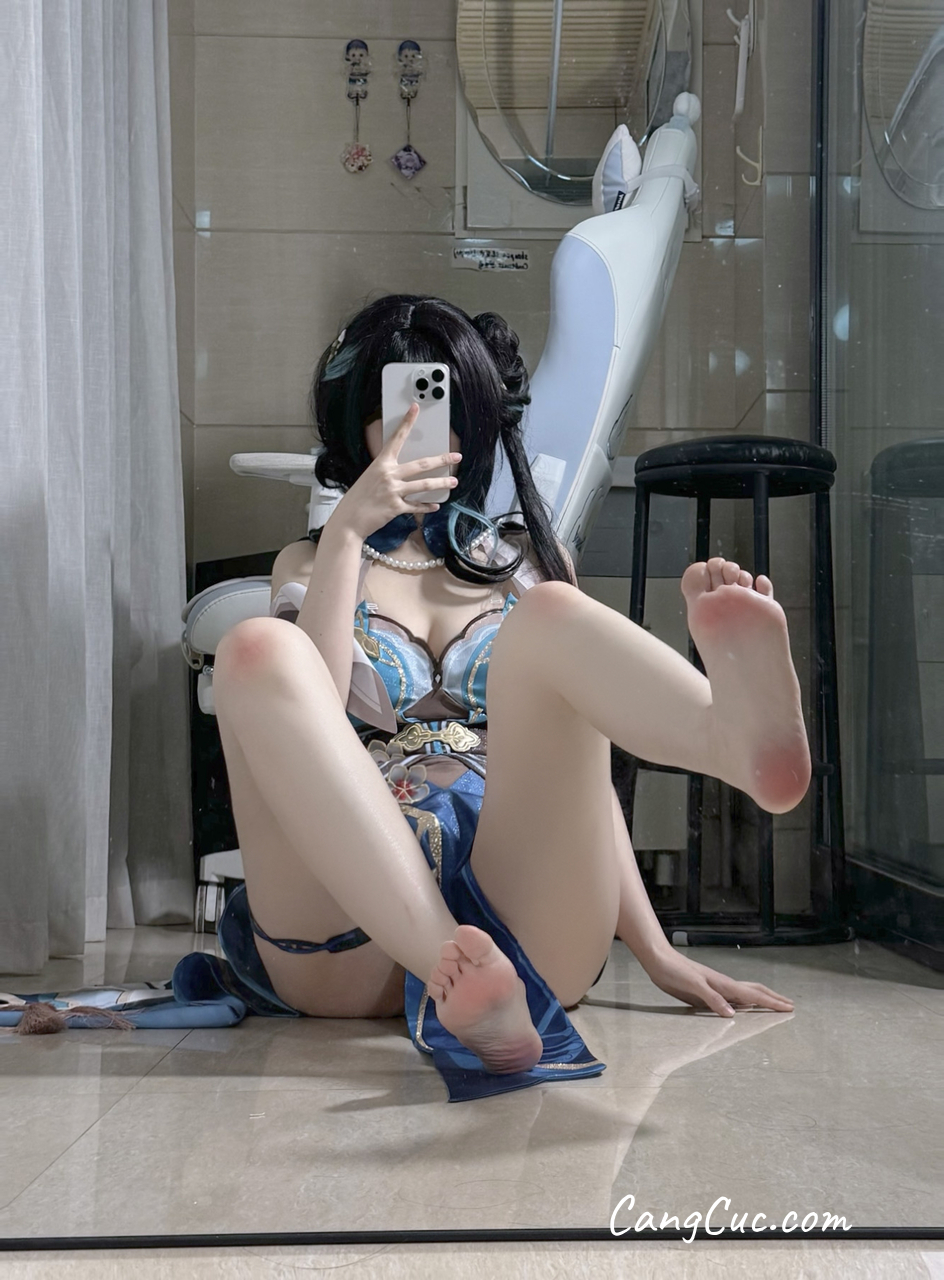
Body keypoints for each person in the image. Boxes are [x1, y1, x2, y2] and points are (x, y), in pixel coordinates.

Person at [211, 294, 806, 1099]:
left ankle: (727, 737)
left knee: (554, 610)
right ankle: (452, 973)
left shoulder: (523, 562)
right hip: (345, 924)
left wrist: (656, 951)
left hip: (522, 918)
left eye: (446, 410)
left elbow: (582, 781)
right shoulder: (311, 563)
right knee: (259, 646)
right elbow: (317, 716)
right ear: (358, 423)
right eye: (401, 407)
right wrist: (348, 530)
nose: (424, 431)